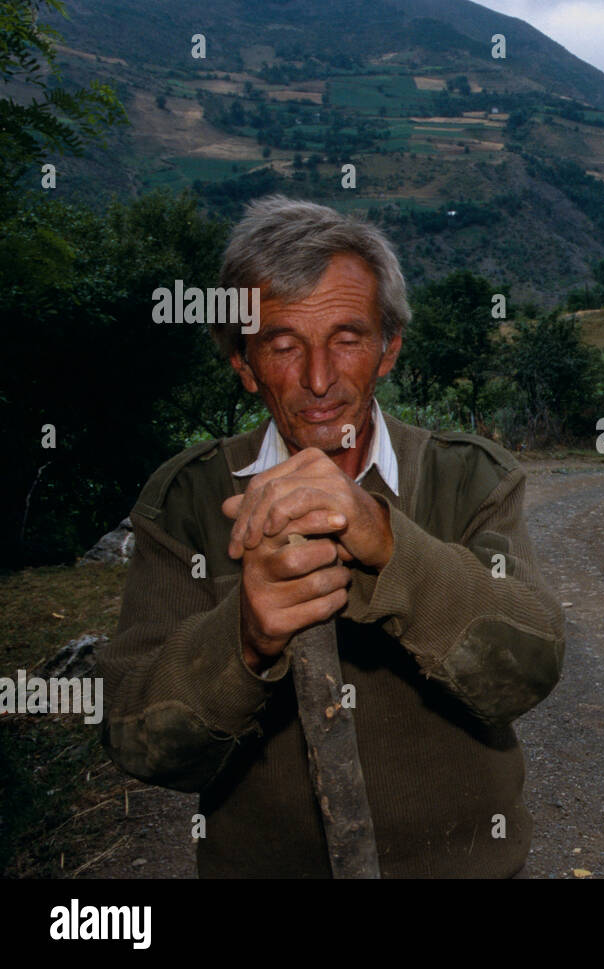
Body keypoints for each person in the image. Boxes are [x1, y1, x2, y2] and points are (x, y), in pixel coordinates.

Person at [98, 196, 565, 877]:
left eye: (347, 338)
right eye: (285, 346)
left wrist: (390, 545)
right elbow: (135, 736)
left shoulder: (470, 479)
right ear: (245, 363)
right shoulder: (187, 501)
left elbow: (531, 665)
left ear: (387, 350)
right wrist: (245, 641)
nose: (319, 379)